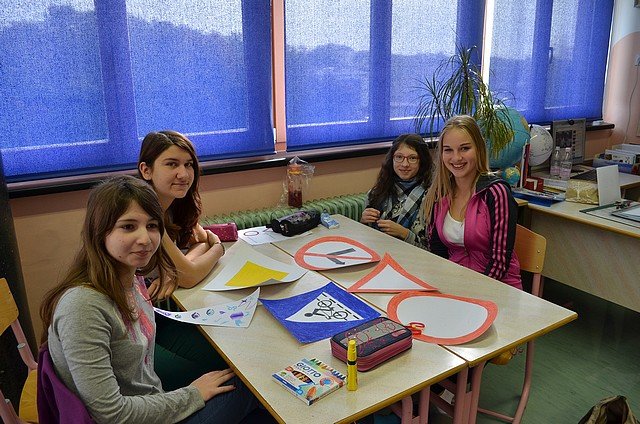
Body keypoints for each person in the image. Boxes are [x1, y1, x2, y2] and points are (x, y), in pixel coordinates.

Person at [39, 175, 258, 423]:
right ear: (99, 231)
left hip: (151, 399)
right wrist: (192, 394)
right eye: (128, 226)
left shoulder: (129, 278)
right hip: (134, 416)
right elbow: (111, 414)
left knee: (242, 369)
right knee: (256, 386)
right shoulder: (83, 307)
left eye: (152, 226)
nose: (145, 239)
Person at [137, 130, 228, 391]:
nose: (184, 174)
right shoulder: (145, 208)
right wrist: (218, 248)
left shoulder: (173, 202)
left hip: (154, 318)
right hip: (126, 331)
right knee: (225, 369)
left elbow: (198, 241)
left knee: (225, 353)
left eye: (188, 165)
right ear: (146, 170)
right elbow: (190, 275)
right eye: (171, 164)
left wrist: (173, 268)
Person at [423, 115, 521, 289]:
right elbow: (437, 251)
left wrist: (472, 293)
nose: (456, 158)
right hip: (455, 282)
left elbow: (499, 262)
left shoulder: (496, 193)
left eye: (465, 148)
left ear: (479, 149)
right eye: (448, 150)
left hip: (496, 287)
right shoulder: (440, 193)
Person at [360, 134, 433, 248]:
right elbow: (364, 238)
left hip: (411, 256)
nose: (405, 164)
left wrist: (404, 233)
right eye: (399, 157)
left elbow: (431, 250)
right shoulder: (376, 192)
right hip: (378, 251)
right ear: (392, 159)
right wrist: (363, 221)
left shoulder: (431, 196)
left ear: (422, 161)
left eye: (412, 158)